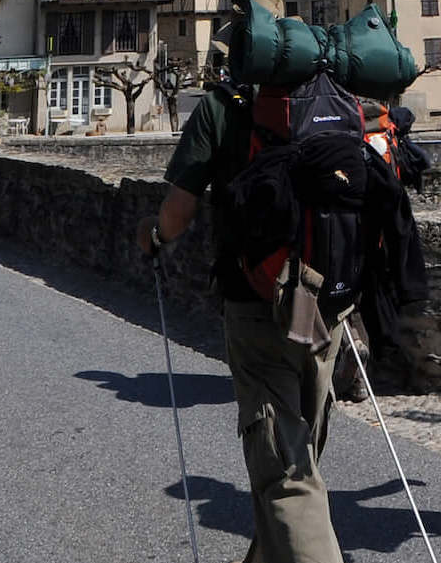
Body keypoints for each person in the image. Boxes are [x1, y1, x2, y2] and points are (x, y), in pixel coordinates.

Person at [147, 72, 346, 563]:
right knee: (294, 456)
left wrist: (152, 236)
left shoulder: (220, 108)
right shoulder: (331, 96)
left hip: (258, 306)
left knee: (286, 471)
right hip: (329, 304)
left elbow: (179, 210)